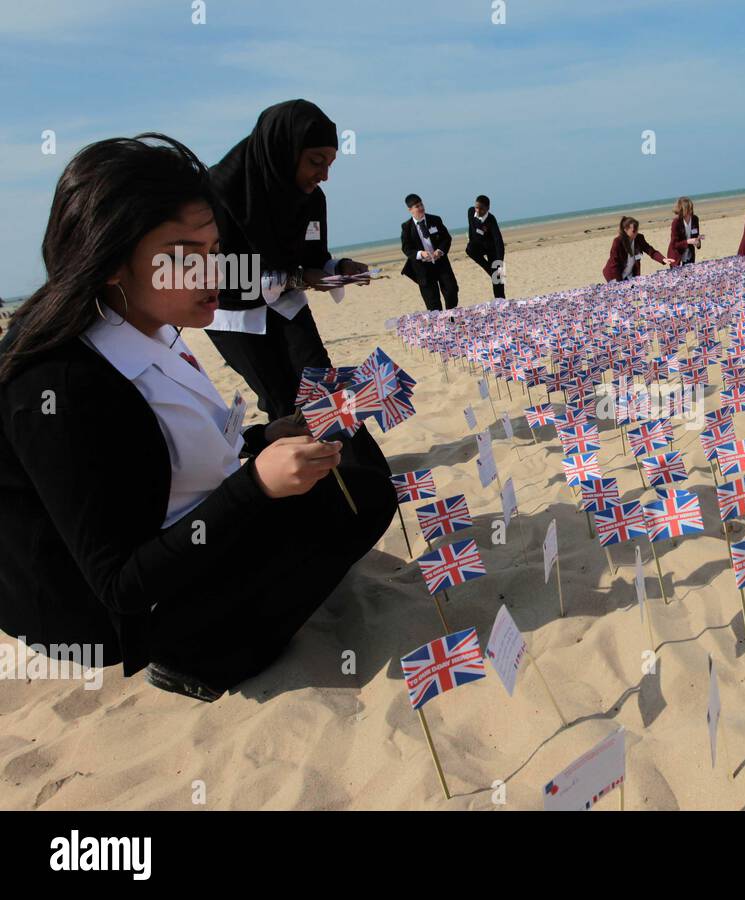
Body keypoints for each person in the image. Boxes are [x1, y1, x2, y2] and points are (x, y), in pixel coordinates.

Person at [0, 135, 396, 702]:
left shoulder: (145, 319)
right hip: (107, 619)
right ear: (111, 260)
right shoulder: (58, 385)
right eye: (185, 257)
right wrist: (256, 485)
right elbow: (119, 585)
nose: (214, 273)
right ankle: (201, 659)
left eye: (216, 250)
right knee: (339, 513)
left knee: (364, 495)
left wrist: (263, 438)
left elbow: (170, 450)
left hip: (184, 526)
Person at [203, 100, 372, 423]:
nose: (323, 175)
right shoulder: (220, 193)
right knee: (279, 396)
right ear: (283, 151)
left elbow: (313, 256)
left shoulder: (311, 198)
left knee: (324, 386)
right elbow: (219, 272)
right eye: (315, 162)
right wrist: (299, 276)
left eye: (330, 164)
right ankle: (305, 470)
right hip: (235, 312)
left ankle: (354, 469)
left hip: (286, 302)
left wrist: (337, 269)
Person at [400, 194, 459, 312]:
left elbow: (446, 238)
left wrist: (440, 251)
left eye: (421, 204)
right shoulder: (406, 227)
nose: (421, 208)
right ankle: (438, 325)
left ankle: (451, 317)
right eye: (417, 206)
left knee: (451, 290)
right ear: (410, 210)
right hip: (423, 268)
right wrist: (421, 254)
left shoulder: (435, 219)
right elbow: (406, 248)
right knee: (432, 302)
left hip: (441, 263)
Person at [603, 216, 672, 281]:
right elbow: (614, 265)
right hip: (614, 275)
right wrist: (619, 283)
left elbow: (650, 251)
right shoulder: (617, 242)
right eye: (633, 231)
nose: (636, 233)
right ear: (625, 230)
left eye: (637, 230)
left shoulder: (639, 238)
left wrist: (663, 259)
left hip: (630, 274)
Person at [465, 195, 506, 299]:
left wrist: (500, 262)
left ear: (488, 208)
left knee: (498, 278)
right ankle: (489, 269)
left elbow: (498, 241)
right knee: (469, 249)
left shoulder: (491, 219)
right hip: (477, 246)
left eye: (481, 208)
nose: (478, 211)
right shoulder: (471, 211)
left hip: (492, 248)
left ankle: (501, 300)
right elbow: (472, 228)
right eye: (476, 207)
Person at [667, 197, 703, 265]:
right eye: (688, 208)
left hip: (690, 255)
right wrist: (688, 241)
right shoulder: (676, 222)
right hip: (676, 256)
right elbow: (674, 244)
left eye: (691, 208)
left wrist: (698, 243)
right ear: (682, 209)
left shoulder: (695, 219)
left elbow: (696, 235)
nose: (691, 210)